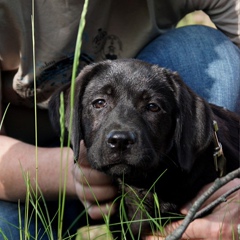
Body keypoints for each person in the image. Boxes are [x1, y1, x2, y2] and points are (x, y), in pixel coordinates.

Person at [0, 0, 239, 239]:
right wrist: (71, 172)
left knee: (203, 50)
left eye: (152, 107)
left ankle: (203, 200)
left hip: (155, 158)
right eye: (100, 103)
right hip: (26, 166)